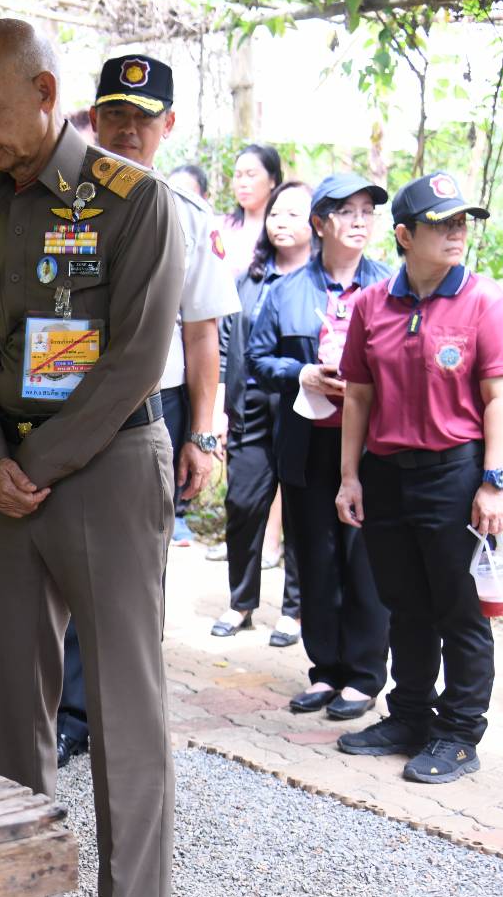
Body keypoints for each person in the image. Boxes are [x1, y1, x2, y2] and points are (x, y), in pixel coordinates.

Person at [0, 20, 184, 897]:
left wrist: (30, 466)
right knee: (10, 700)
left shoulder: (134, 201)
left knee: (124, 706)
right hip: (9, 478)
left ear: (44, 94)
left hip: (106, 469)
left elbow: (135, 359)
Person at [53, 54, 239, 772]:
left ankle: (117, 716)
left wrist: (202, 433)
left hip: (149, 412)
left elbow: (203, 335)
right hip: (60, 401)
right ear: (93, 118)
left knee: (133, 570)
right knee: (59, 559)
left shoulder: (187, 218)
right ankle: (67, 710)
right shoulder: (56, 201)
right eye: (115, 115)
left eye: (142, 117)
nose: (127, 129)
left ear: (168, 125)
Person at [335, 172, 503, 784]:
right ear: (406, 235)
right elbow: (358, 396)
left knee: (458, 610)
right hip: (385, 476)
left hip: (454, 475)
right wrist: (349, 477)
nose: (457, 232)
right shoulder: (371, 304)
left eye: (462, 221)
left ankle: (459, 734)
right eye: (442, 223)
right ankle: (409, 716)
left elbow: (499, 397)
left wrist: (496, 482)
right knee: (404, 606)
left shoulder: (484, 300)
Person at [247, 173, 392, 721]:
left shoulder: (390, 287)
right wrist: (301, 373)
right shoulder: (286, 291)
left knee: (364, 559)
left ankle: (364, 674)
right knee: (316, 555)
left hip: (371, 446)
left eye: (367, 212)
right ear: (320, 223)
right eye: (346, 212)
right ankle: (326, 669)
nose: (359, 222)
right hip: (307, 444)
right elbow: (258, 360)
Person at [215, 180, 310, 645]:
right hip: (249, 404)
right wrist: (219, 408)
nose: (280, 222)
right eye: (275, 213)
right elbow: (224, 344)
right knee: (243, 503)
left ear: (316, 223)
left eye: (293, 214)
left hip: (303, 410)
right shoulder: (248, 279)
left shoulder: (319, 283)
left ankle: (295, 610)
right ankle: (241, 603)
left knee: (300, 510)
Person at [216, 144, 283, 276]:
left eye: (251, 175)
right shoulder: (218, 226)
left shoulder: (282, 229)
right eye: (238, 175)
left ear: (272, 180)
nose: (242, 183)